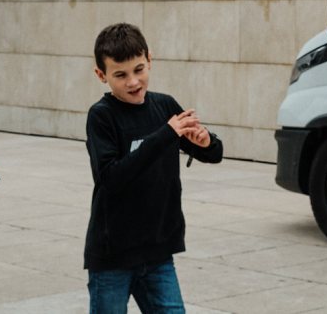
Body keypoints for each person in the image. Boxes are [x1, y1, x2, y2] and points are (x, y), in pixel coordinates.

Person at [85, 23, 223, 314]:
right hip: (113, 256)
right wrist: (165, 135)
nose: (133, 82)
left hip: (158, 251)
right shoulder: (102, 117)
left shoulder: (164, 106)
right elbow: (110, 178)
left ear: (150, 59)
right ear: (101, 75)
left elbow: (213, 154)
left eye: (139, 69)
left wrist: (206, 141)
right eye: (120, 75)